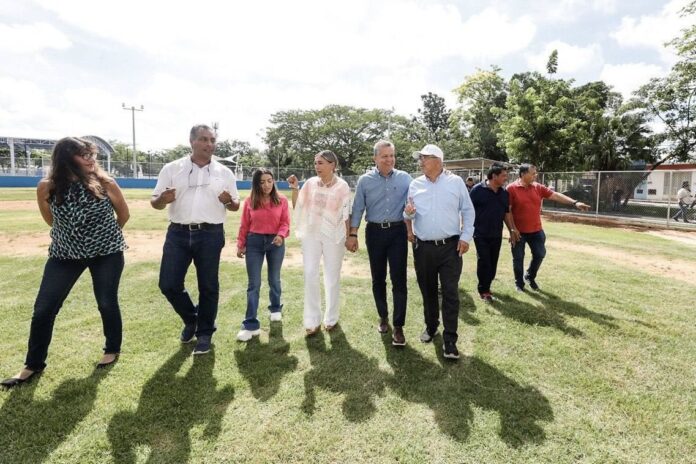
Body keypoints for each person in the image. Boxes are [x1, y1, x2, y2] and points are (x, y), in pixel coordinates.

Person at [1, 137, 129, 388]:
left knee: (106, 302)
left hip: (107, 253)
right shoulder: (46, 186)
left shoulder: (105, 183)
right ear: (66, 158)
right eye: (85, 155)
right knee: (44, 309)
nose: (92, 159)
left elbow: (123, 215)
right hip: (64, 254)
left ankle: (112, 348)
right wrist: (74, 239)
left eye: (92, 154)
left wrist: (103, 238)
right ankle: (32, 364)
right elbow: (51, 219)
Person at [151, 124, 239, 355]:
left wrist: (228, 201)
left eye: (212, 140)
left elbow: (235, 205)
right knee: (168, 284)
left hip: (210, 234)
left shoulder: (224, 172)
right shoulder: (172, 169)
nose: (209, 144)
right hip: (178, 233)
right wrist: (163, 199)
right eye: (204, 139)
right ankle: (192, 319)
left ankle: (205, 334)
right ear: (192, 142)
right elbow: (155, 202)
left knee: (208, 286)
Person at [403, 144, 475, 360]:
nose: (420, 162)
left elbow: (468, 211)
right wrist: (409, 213)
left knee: (451, 293)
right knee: (428, 290)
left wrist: (465, 237)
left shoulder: (455, 183)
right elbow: (408, 215)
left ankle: (450, 340)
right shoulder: (415, 185)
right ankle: (431, 326)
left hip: (450, 248)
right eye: (421, 159)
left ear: (437, 160)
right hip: (423, 247)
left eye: (424, 158)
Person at [347, 140, 411, 345]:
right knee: (378, 278)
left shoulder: (405, 179)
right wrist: (353, 234)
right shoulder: (365, 181)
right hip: (374, 233)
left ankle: (399, 326)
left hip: (398, 232)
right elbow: (357, 208)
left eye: (392, 155)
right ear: (375, 158)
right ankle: (383, 316)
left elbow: (414, 204)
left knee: (399, 279)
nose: (389, 159)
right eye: (385, 156)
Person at [287, 150, 351, 336]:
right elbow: (297, 205)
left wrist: (350, 237)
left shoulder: (342, 186)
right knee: (310, 274)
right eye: (316, 163)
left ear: (333, 165)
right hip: (311, 235)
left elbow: (346, 214)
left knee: (332, 277)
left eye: (321, 163)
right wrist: (294, 188)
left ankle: (331, 318)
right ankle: (312, 320)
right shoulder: (310, 184)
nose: (317, 166)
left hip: (334, 236)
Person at [507, 163, 590, 292]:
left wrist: (575, 203)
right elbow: (508, 211)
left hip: (536, 231)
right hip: (519, 232)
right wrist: (512, 229)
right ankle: (519, 283)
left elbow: (555, 195)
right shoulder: (511, 189)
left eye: (536, 173)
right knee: (518, 258)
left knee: (540, 254)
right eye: (533, 173)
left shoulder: (537, 187)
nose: (536, 175)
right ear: (523, 174)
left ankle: (529, 276)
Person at [235, 168, 290, 341]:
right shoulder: (250, 201)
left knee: (274, 279)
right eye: (262, 182)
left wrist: (281, 235)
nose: (266, 185)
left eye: (269, 180)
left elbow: (285, 222)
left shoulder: (281, 200)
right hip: (254, 243)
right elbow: (244, 225)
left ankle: (275, 308)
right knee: (254, 284)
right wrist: (241, 244)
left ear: (273, 181)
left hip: (276, 243)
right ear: (256, 184)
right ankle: (250, 324)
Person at [469, 163, 520, 302]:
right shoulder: (477, 190)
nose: (506, 178)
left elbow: (506, 213)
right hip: (480, 233)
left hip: (496, 234)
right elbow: (467, 210)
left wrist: (512, 229)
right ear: (494, 176)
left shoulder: (504, 193)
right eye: (504, 175)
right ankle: (484, 290)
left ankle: (487, 285)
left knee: (493, 262)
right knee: (484, 261)